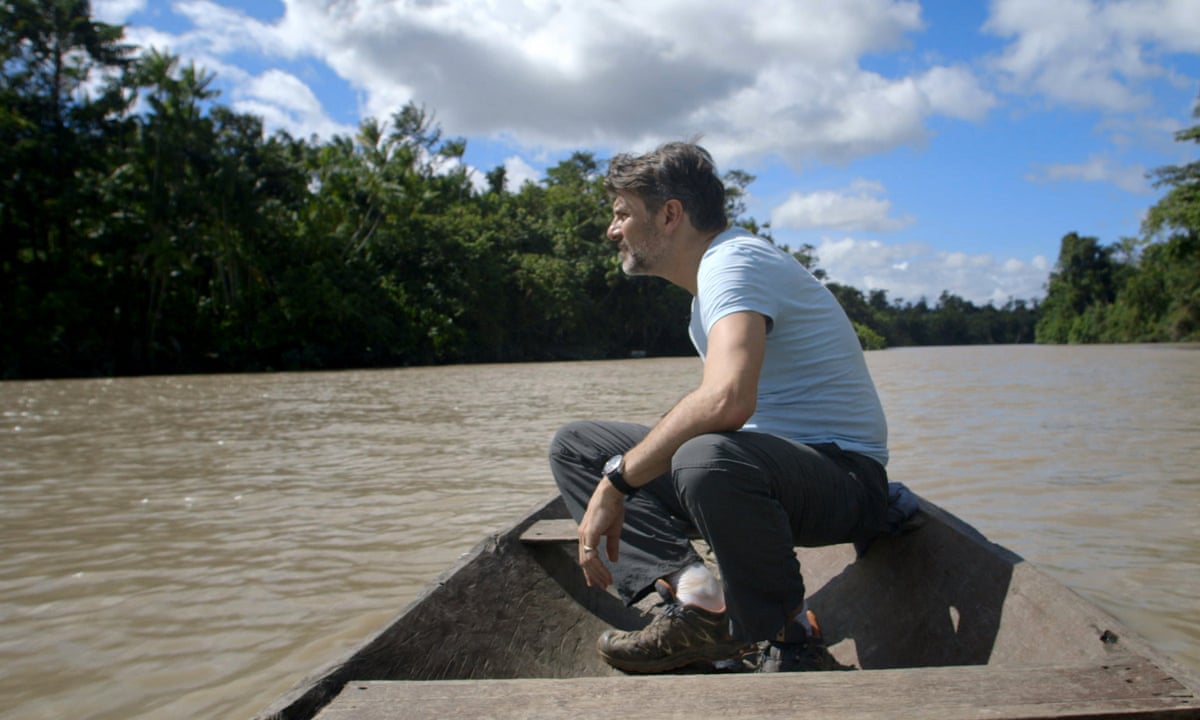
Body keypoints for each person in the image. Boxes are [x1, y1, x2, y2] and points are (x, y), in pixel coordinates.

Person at [548, 141, 890, 674]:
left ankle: (785, 630)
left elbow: (727, 400)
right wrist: (614, 471)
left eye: (622, 215)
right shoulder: (706, 293)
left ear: (669, 215)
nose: (613, 230)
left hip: (845, 480)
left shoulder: (733, 262)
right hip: (773, 473)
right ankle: (700, 597)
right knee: (580, 446)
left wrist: (616, 485)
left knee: (701, 457)